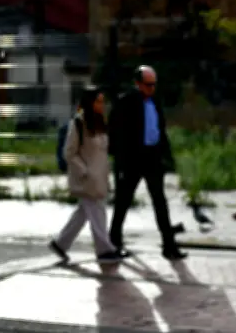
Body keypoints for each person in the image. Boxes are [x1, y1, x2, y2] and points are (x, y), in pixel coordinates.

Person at [107, 65, 186, 260]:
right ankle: (113, 242)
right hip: (132, 159)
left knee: (160, 202)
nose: (152, 88)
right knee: (123, 201)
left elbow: (160, 130)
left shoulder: (155, 102)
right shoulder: (125, 102)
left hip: (152, 157)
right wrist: (120, 161)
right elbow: (115, 132)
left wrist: (167, 157)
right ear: (138, 84)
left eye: (154, 84)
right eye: (148, 85)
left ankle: (169, 245)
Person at [49, 86, 122, 264]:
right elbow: (69, 152)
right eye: (98, 101)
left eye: (102, 101)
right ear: (89, 102)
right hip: (87, 179)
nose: (101, 105)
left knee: (83, 214)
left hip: (100, 178)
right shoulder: (78, 124)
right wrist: (84, 171)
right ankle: (104, 249)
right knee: (98, 213)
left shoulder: (100, 123)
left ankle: (60, 244)